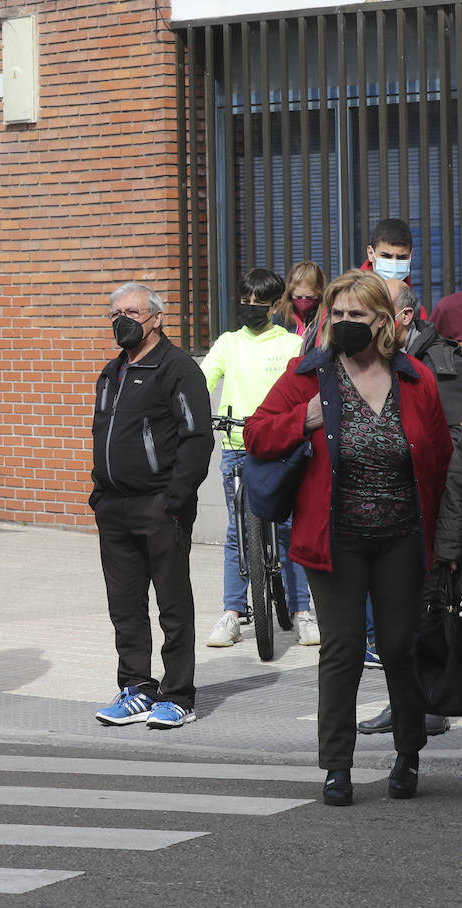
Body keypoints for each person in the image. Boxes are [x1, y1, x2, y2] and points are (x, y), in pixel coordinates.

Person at [244, 270, 451, 806]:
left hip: (402, 538)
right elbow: (256, 432)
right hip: (333, 538)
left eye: (355, 315)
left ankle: (408, 753)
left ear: (382, 321)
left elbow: (439, 461)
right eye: (336, 315)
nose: (343, 323)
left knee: (400, 648)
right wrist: (302, 418)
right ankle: (337, 765)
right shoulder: (308, 375)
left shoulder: (415, 380)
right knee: (343, 649)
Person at [90, 282, 213, 730]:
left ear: (157, 317)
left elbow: (197, 438)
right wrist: (98, 494)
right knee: (125, 606)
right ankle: (137, 688)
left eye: (133, 312)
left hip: (161, 506)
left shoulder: (177, 369)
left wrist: (176, 499)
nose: (123, 319)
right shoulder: (111, 372)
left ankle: (179, 694)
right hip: (114, 508)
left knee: (172, 604)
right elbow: (102, 437)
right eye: (115, 312)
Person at [355, 275, 459, 738]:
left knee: (427, 616)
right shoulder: (380, 361)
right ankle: (411, 703)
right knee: (401, 622)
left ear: (402, 317)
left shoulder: (440, 366)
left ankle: (426, 703)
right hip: (392, 516)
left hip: (433, 514)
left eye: (377, 310)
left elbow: (451, 452)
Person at [202, 268, 318, 648]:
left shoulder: (288, 344)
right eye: (245, 300)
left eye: (258, 302)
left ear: (273, 306)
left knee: (289, 531)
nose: (250, 307)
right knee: (237, 533)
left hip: (281, 447)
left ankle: (303, 613)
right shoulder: (228, 343)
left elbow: (304, 387)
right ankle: (232, 614)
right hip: (237, 445)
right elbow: (201, 378)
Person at [270, 260, 325, 351]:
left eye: (309, 297)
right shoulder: (279, 318)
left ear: (319, 293)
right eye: (298, 297)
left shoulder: (326, 317)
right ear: (290, 293)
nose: (303, 301)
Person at [361, 217, 414, 285]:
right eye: (386, 256)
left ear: (411, 255)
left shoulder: (405, 284)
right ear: (370, 253)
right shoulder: (354, 292)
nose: (394, 264)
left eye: (401, 257)